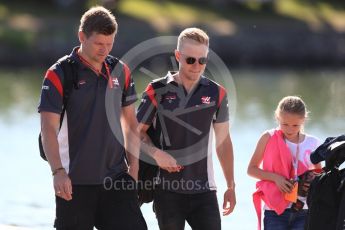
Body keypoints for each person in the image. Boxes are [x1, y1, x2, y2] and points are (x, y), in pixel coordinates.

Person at [38, 6, 147, 230]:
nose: (104, 50)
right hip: (73, 181)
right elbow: (48, 128)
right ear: (81, 37)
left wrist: (134, 167)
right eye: (99, 43)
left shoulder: (121, 71)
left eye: (110, 43)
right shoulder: (59, 73)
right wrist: (58, 172)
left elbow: (130, 123)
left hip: (116, 179)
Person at [137, 27, 236, 230]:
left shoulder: (217, 93)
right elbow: (135, 132)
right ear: (178, 56)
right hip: (166, 191)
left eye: (202, 60)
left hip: (205, 190)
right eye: (190, 60)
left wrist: (231, 186)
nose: (197, 66)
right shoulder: (157, 90)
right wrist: (156, 154)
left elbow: (223, 142)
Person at [247, 96, 322, 230]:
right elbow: (251, 170)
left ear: (304, 120)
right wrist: (276, 178)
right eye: (285, 124)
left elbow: (319, 175)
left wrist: (310, 181)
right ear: (277, 118)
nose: (290, 129)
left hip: (304, 210)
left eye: (295, 125)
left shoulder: (314, 143)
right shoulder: (268, 137)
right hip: (274, 211)